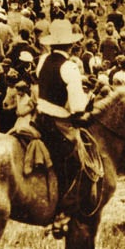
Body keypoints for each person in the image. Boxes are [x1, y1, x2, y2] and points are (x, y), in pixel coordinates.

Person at [34, 19, 89, 237]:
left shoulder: (43, 60)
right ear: (71, 45)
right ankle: (64, 210)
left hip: (40, 117)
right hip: (58, 122)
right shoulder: (70, 66)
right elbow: (77, 106)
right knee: (76, 158)